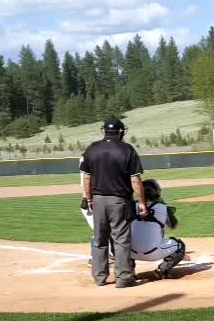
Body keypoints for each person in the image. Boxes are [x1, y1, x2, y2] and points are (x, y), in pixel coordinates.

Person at [80, 116, 148, 288]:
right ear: (121, 131)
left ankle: (100, 277)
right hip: (119, 201)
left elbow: (86, 178)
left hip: (98, 200)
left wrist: (88, 199)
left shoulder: (92, 149)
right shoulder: (127, 150)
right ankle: (124, 278)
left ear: (104, 131)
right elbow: (135, 180)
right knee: (121, 239)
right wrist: (142, 202)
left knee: (99, 240)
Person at [81, 179, 187, 279]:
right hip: (154, 253)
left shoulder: (129, 206)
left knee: (122, 240)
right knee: (180, 245)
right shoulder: (163, 208)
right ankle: (162, 271)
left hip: (129, 252)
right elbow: (174, 226)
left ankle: (129, 271)